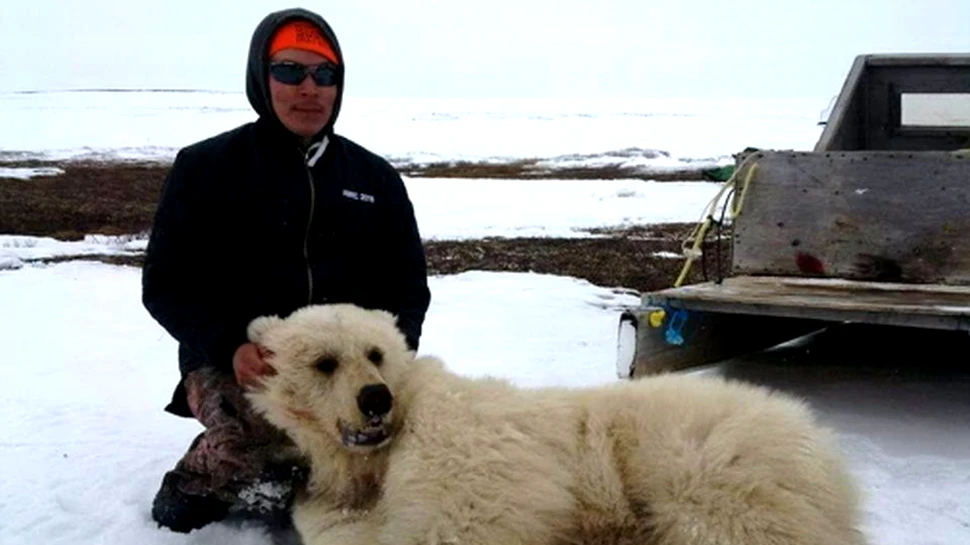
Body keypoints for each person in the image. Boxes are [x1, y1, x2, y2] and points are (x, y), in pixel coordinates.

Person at [142, 7, 431, 533]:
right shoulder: (206, 169)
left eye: (325, 75)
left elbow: (407, 288)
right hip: (240, 361)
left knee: (415, 445)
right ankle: (198, 477)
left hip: (351, 362)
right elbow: (166, 284)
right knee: (260, 456)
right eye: (290, 71)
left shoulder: (375, 178)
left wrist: (392, 351)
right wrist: (229, 345)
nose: (310, 89)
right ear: (261, 77)